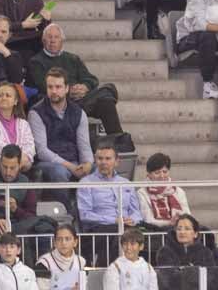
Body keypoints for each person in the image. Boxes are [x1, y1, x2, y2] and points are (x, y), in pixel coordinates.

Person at [29, 66, 94, 203]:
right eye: (50, 87)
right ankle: (67, 213)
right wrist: (70, 166)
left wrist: (87, 163)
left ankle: (92, 214)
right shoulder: (36, 112)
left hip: (75, 160)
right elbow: (42, 151)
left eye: (58, 87)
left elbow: (84, 145)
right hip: (48, 162)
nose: (54, 91)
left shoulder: (79, 113)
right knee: (59, 172)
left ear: (67, 88)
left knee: (98, 168)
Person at [77, 142, 141, 265]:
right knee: (117, 233)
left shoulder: (126, 183)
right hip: (98, 229)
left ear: (117, 161)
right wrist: (115, 220)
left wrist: (133, 219)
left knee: (141, 234)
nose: (104, 162)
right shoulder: (86, 183)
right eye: (100, 159)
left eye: (108, 158)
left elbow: (136, 211)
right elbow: (85, 215)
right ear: (95, 161)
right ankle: (107, 273)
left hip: (126, 226)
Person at [154, 214, 218, 290]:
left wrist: (183, 271)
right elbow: (168, 279)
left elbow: (210, 277)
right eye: (179, 229)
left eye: (187, 229)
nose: (182, 232)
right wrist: (192, 271)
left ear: (195, 234)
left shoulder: (206, 252)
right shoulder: (165, 252)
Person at [35, 224, 87, 290]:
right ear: (54, 243)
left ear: (75, 242)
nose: (63, 243)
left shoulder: (81, 261)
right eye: (59, 239)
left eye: (67, 239)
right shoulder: (44, 263)